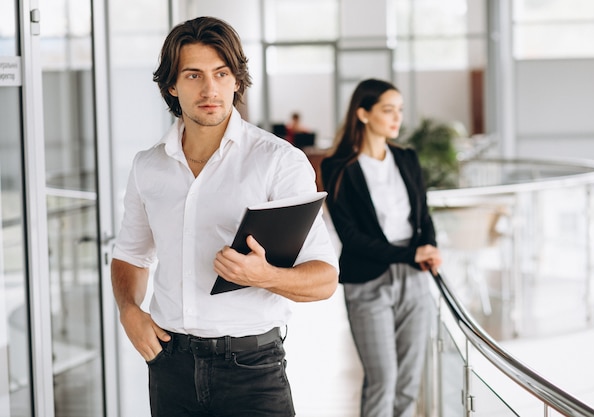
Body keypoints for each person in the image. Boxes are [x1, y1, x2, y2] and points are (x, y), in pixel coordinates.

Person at [110, 16, 339, 417]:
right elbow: (131, 254)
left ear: (237, 80)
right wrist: (129, 310)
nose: (210, 88)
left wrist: (264, 276)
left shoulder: (278, 163)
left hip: (252, 370)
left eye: (221, 73)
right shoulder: (148, 166)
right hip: (170, 366)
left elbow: (324, 279)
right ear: (172, 85)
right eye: (194, 75)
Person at [320, 78, 442, 417]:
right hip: (368, 280)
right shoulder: (338, 167)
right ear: (363, 113)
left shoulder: (406, 158)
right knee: (382, 380)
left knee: (407, 382)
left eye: (400, 110)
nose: (396, 118)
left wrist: (428, 245)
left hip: (415, 277)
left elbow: (423, 215)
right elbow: (350, 235)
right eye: (387, 110)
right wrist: (409, 254)